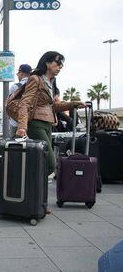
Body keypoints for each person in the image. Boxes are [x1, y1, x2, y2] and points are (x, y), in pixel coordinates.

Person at [16, 51, 84, 212]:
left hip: (48, 125)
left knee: (41, 165)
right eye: (57, 62)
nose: (60, 66)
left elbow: (53, 107)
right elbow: (25, 103)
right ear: (47, 63)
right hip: (36, 125)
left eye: (61, 64)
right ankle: (27, 191)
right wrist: (22, 126)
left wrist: (74, 104)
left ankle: (38, 202)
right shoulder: (36, 79)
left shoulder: (51, 82)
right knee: (50, 164)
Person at [8, 64, 32, 137]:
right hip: (32, 122)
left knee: (15, 146)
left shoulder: (16, 87)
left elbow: (9, 104)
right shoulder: (34, 85)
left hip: (16, 123)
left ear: (21, 73)